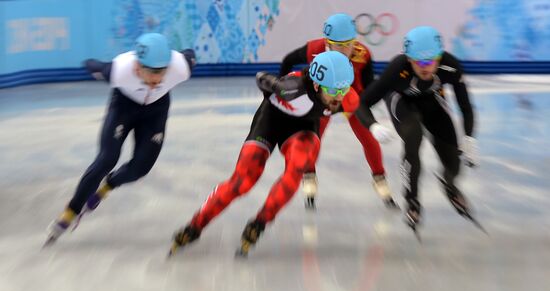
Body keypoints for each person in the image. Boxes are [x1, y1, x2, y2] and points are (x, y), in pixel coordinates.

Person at [169, 51, 358, 257]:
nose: (339, 96)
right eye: (333, 90)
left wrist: (373, 126)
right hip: (270, 121)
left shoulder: (346, 98)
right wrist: (276, 86)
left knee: (297, 168)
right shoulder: (293, 90)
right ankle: (195, 226)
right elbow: (260, 77)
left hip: (303, 127)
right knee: (242, 182)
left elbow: (360, 108)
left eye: (344, 88)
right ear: (316, 85)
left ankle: (260, 223)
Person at [45, 33, 196, 246]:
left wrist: (185, 56)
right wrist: (86, 63)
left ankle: (108, 187)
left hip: (156, 111)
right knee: (106, 160)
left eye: (162, 74)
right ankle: (71, 211)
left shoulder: (181, 67)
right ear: (137, 66)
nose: (156, 81)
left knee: (140, 168)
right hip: (123, 107)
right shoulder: (118, 70)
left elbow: (190, 54)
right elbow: (92, 65)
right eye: (151, 74)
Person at [355, 26, 479, 235]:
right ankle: (412, 200)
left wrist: (468, 138)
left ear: (439, 58)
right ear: (409, 59)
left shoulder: (451, 66)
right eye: (419, 62)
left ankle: (449, 185)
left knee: (453, 159)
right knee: (414, 137)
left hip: (432, 101)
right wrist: (373, 125)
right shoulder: (397, 68)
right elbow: (362, 103)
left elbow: (465, 106)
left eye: (431, 61)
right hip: (401, 102)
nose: (425, 67)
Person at [280, 13, 397, 209]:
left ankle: (379, 177)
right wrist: (282, 88)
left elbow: (368, 87)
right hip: (324, 100)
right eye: (340, 44)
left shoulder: (363, 53)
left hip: (352, 99)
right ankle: (309, 174)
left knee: (369, 138)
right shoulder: (314, 49)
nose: (346, 49)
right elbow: (288, 61)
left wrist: (370, 113)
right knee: (313, 138)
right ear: (327, 42)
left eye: (350, 43)